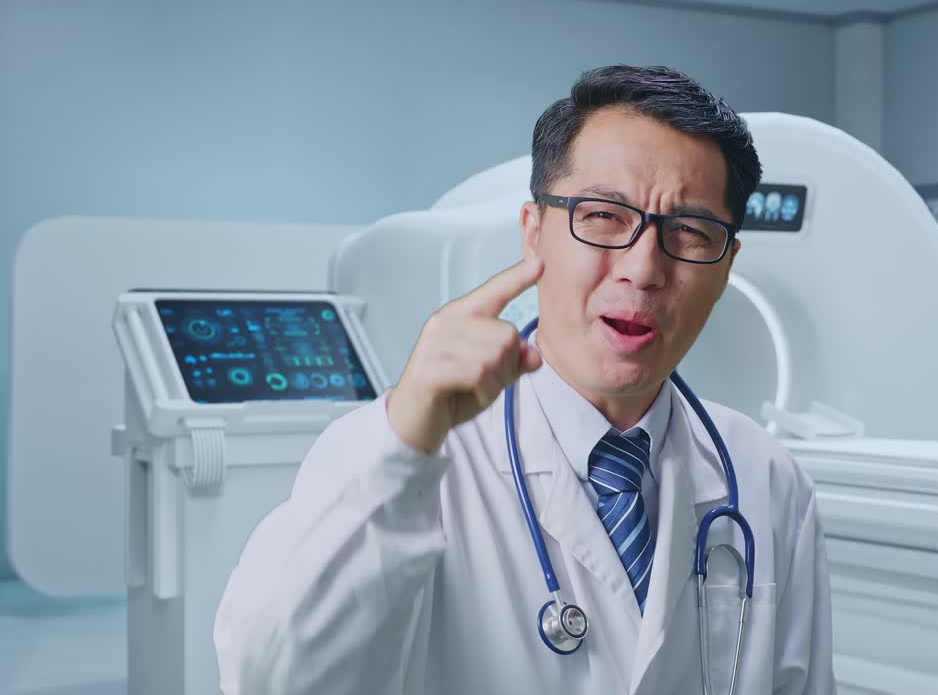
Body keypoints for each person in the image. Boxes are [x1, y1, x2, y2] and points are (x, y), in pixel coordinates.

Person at [213, 64, 834, 694]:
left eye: (691, 232)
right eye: (603, 216)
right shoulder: (398, 459)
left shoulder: (768, 481)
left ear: (726, 265)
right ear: (534, 232)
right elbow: (271, 679)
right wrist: (402, 447)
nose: (644, 268)